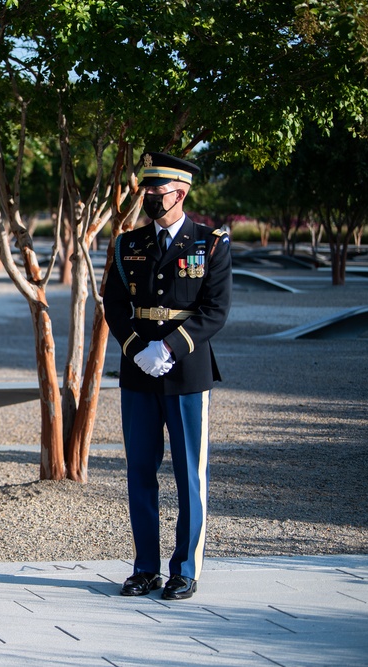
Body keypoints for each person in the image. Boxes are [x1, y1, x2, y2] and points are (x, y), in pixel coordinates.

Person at [103, 152, 232, 600]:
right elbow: (114, 305)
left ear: (181, 193)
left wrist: (170, 347)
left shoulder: (209, 243)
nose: (151, 202)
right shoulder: (126, 244)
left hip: (186, 373)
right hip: (140, 372)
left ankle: (185, 570)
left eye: (158, 195)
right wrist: (139, 349)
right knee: (139, 470)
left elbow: (215, 311)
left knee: (188, 473)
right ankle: (144, 568)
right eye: (147, 194)